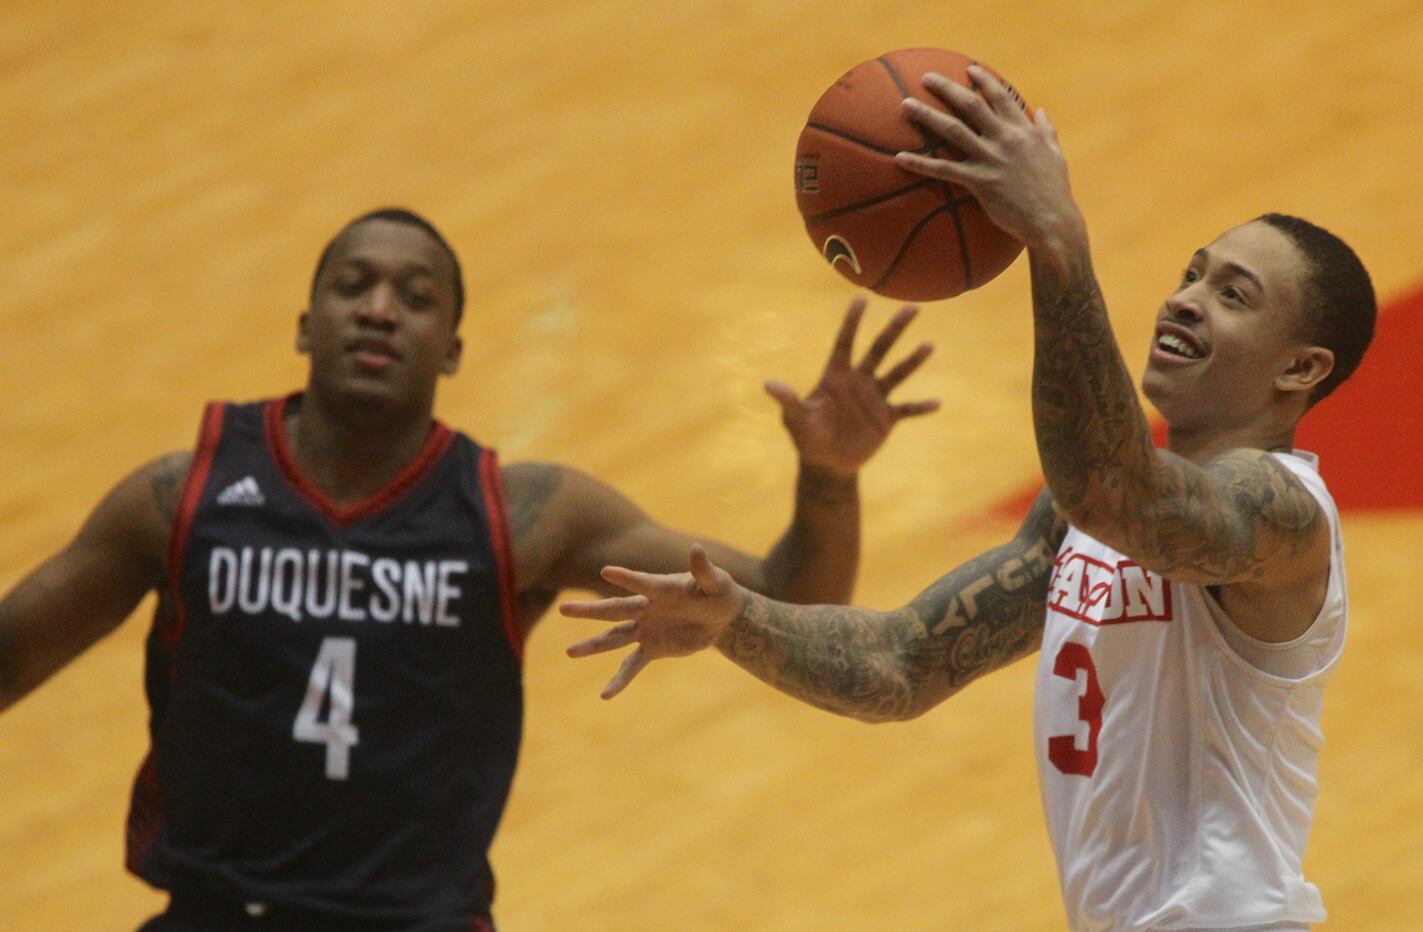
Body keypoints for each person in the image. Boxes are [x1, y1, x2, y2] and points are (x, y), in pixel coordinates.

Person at [562, 67, 1377, 931]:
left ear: (1300, 368)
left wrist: (1055, 237)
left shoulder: (1284, 516)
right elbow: (903, 662)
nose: (1184, 299)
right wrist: (738, 622)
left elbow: (1113, 486)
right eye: (1193, 272)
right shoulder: (1080, 525)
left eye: (1232, 294)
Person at [0, 207, 940, 931]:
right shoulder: (185, 495)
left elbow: (800, 605)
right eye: (353, 285)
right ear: (304, 322)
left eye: (415, 297)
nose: (379, 308)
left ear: (452, 346)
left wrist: (827, 480)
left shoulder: (525, 514)